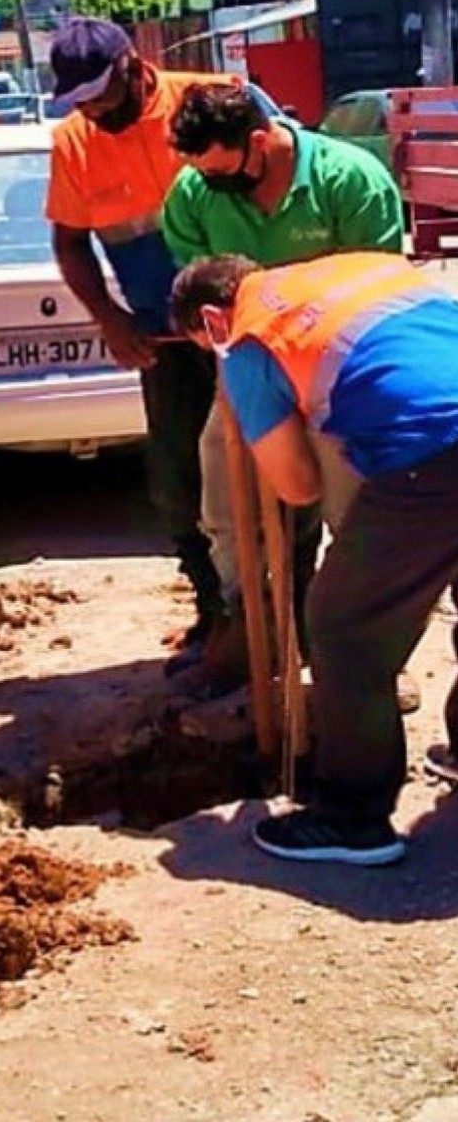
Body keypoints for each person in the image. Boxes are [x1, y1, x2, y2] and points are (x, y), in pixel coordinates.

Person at [169, 250, 458, 865]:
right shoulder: (361, 269)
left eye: (203, 346)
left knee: (344, 628)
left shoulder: (248, 340)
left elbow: (298, 486)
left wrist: (264, 407)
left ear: (213, 320)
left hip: (435, 451)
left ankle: (354, 820)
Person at [161, 82, 405, 691]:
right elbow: (205, 298)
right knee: (222, 473)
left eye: (223, 171)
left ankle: (373, 661)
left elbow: (379, 290)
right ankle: (249, 628)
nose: (210, 184)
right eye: (201, 173)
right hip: (249, 363)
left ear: (260, 141)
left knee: (355, 509)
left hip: (339, 371)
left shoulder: (349, 179)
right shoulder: (193, 195)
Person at [44, 18, 276, 651]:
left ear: (130, 65)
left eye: (99, 92)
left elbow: (283, 174)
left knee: (277, 474)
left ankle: (292, 620)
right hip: (165, 339)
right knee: (178, 478)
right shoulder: (74, 143)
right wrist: (110, 319)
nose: (91, 108)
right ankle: (217, 616)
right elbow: (69, 242)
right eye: (79, 99)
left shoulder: (208, 99)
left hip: (252, 328)